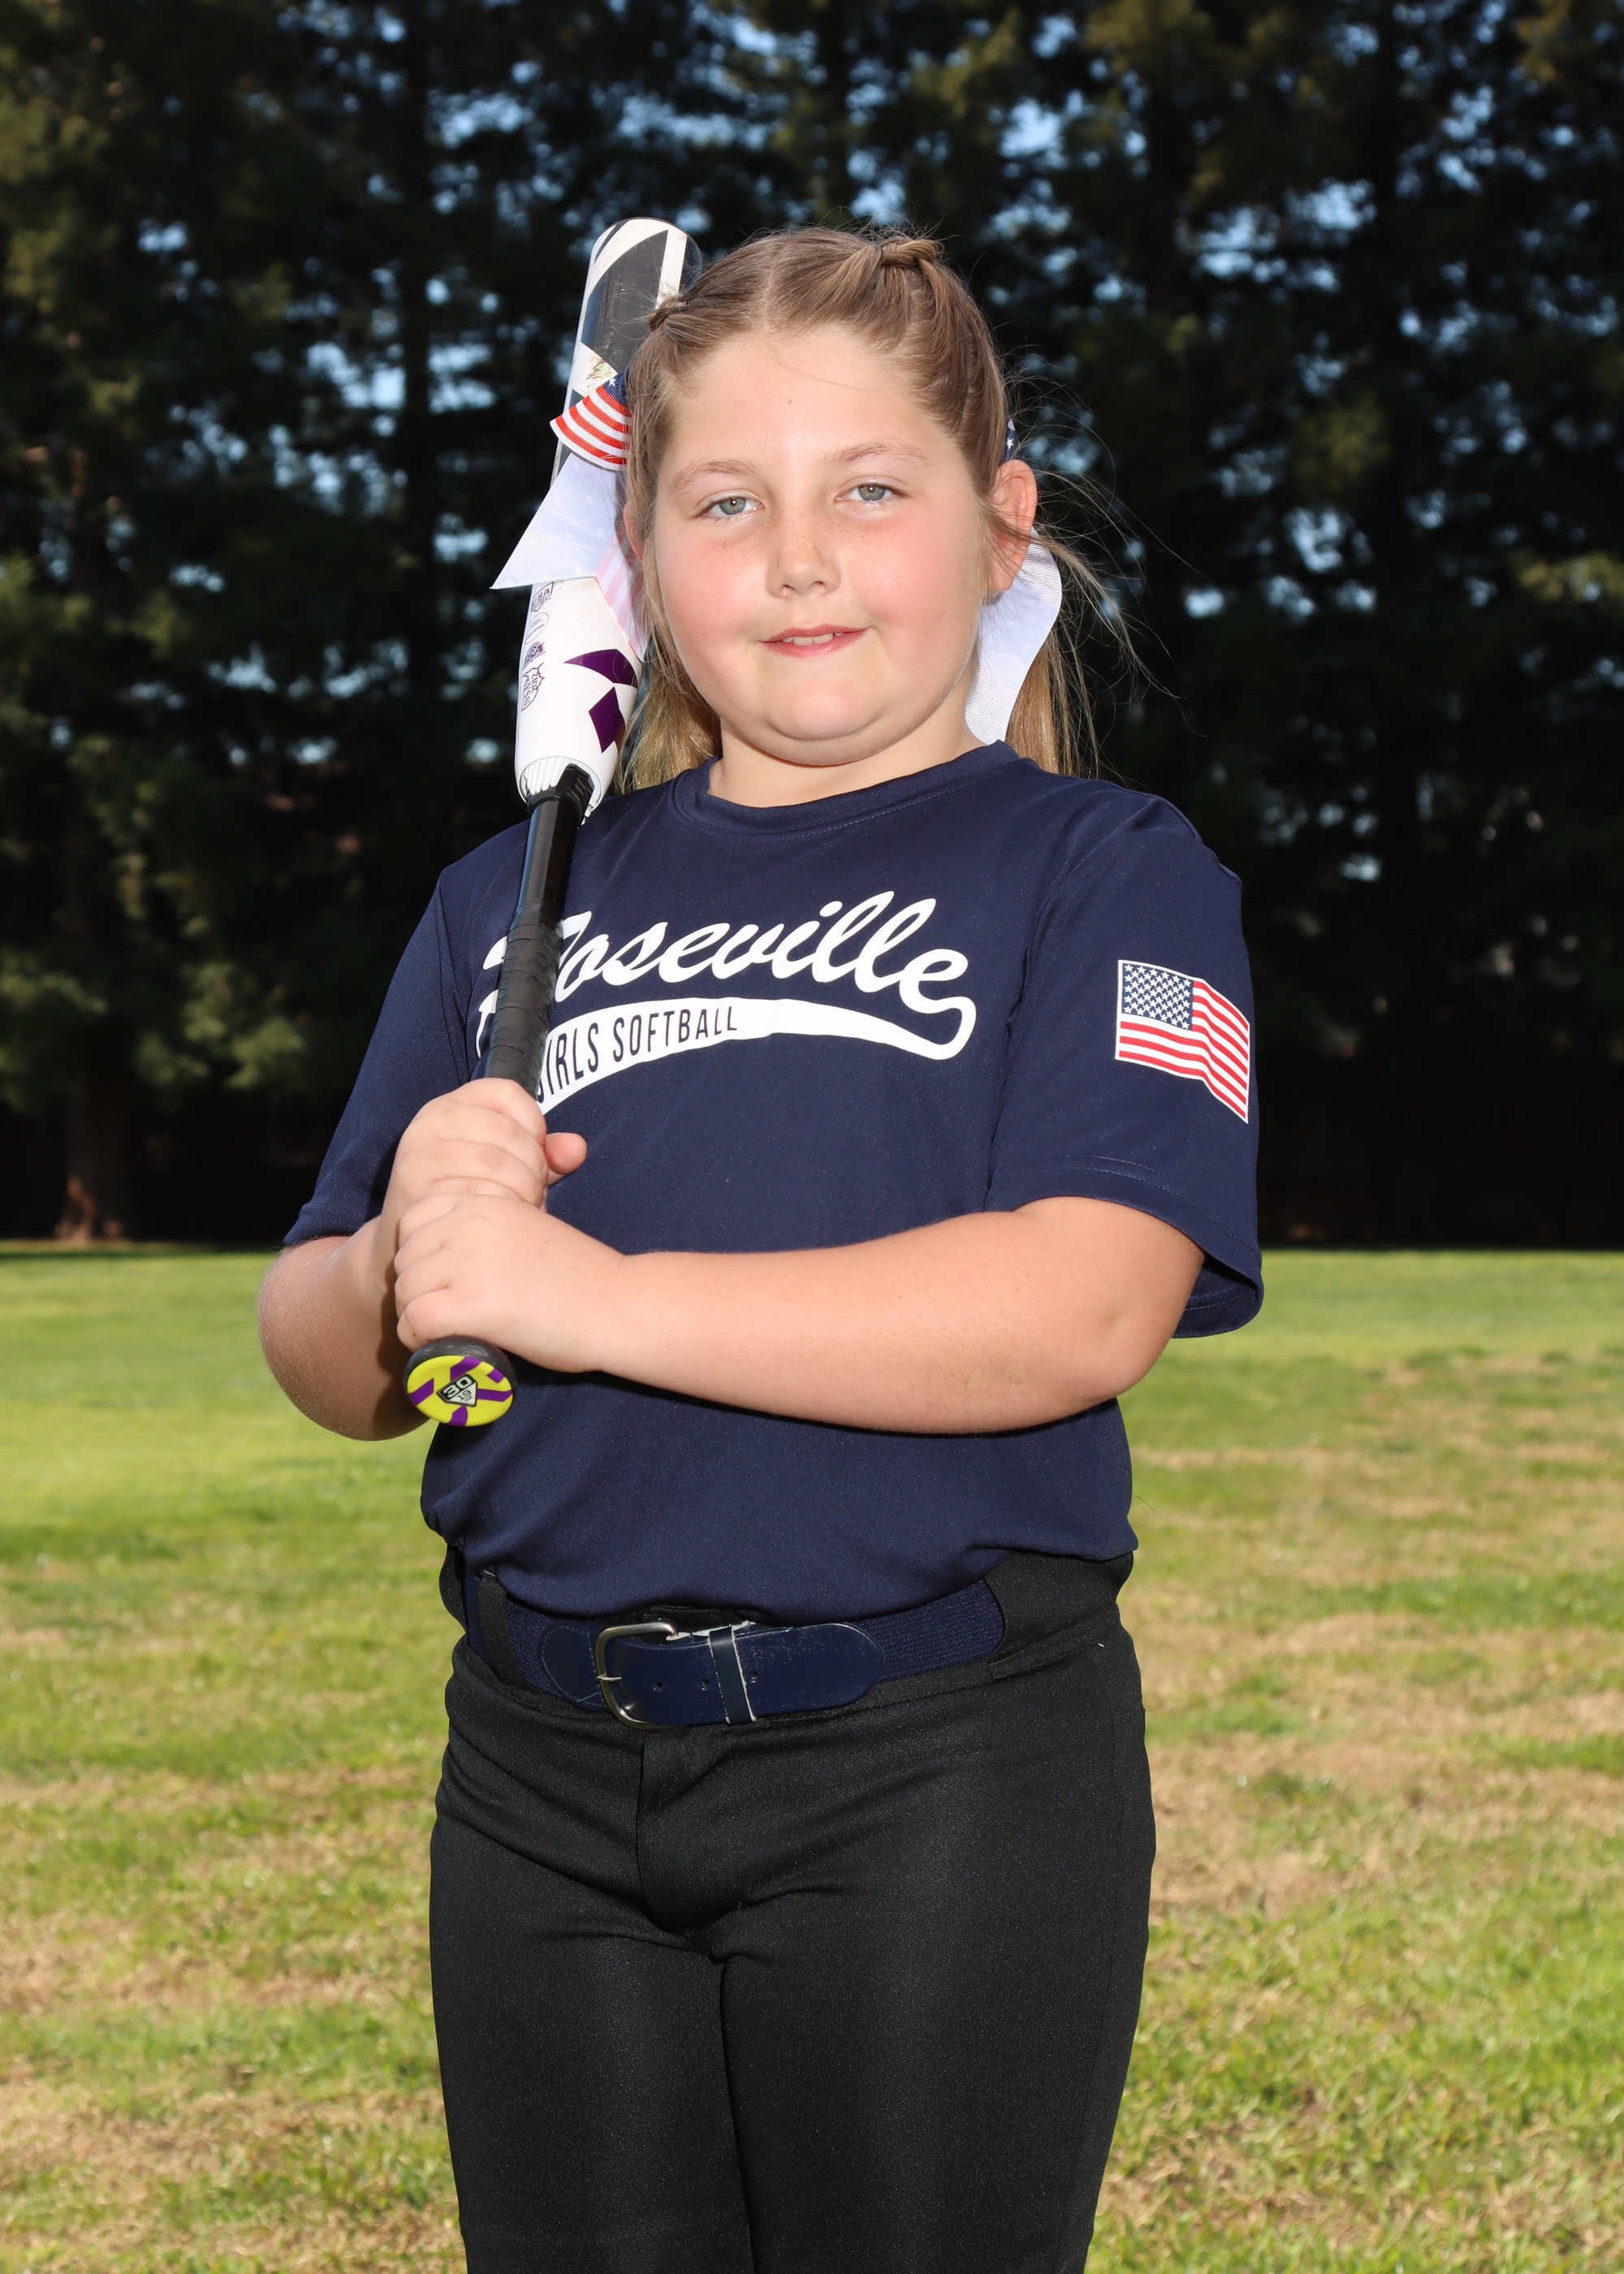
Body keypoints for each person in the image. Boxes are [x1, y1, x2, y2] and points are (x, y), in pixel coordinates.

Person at [258, 224, 1261, 2274]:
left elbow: (1085, 1301)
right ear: (637, 555)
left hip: (932, 1761)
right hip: (535, 1766)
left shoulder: (1107, 867)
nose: (798, 561)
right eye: (723, 504)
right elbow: (326, 1346)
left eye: (868, 490)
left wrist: (589, 1296)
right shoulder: (508, 902)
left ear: (1002, 524)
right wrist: (402, 1259)